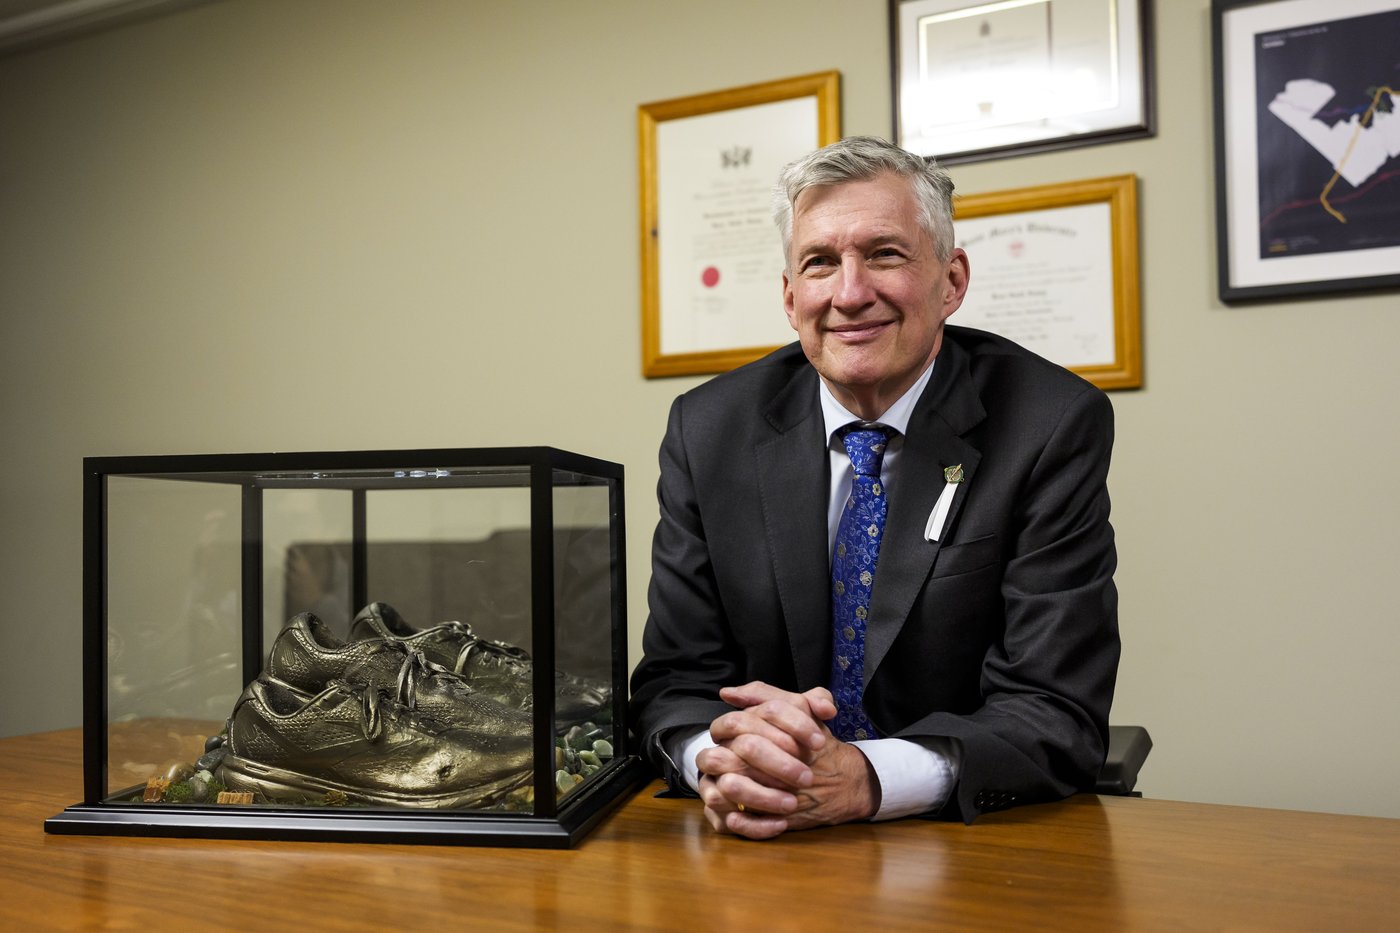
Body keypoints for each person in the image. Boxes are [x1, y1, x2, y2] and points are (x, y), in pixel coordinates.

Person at [628, 136, 1119, 840]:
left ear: (951, 281)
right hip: (755, 834)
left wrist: (864, 776)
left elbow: (1054, 706)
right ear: (790, 296)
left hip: (960, 843)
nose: (850, 293)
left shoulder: (1047, 424)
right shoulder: (708, 431)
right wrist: (723, 759)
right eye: (820, 263)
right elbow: (676, 680)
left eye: (884, 254)